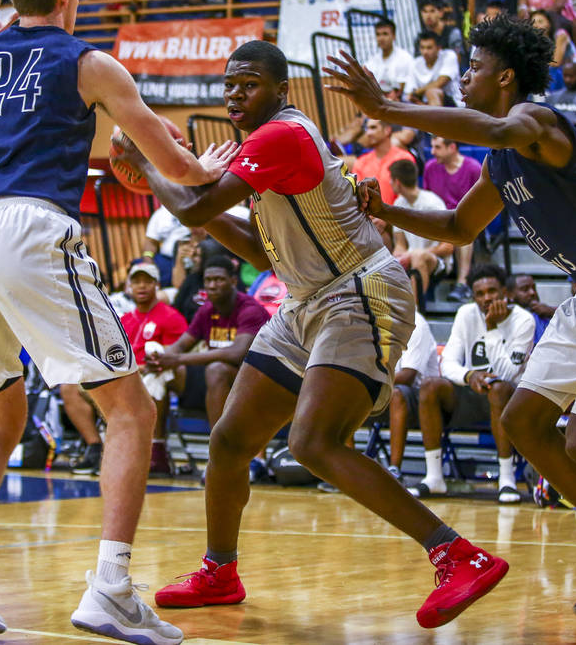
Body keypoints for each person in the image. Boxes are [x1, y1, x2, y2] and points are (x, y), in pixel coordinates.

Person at [325, 14, 576, 640]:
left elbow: (492, 126)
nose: (463, 77)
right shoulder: (501, 166)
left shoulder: (538, 122)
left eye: (474, 67)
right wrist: (387, 209)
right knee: (522, 422)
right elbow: (458, 229)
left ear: (505, 76)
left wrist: (386, 106)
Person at [115, 39, 508, 629]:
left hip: (360, 291)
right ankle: (219, 571)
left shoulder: (281, 136)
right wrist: (170, 182)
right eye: (228, 87)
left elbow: (194, 212)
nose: (233, 97)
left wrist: (149, 165)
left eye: (247, 85)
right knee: (228, 442)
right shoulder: (262, 149)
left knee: (314, 442)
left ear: (281, 91)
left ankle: (458, 554)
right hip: (306, 300)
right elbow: (259, 248)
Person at [0, 0, 233, 643]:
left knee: (1, 418)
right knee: (130, 411)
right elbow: (172, 158)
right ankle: (111, 589)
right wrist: (206, 165)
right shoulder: (90, 62)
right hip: (31, 228)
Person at [413, 264, 534, 502]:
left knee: (498, 389)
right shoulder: (466, 314)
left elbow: (508, 373)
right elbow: (447, 363)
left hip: (509, 400)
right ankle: (434, 477)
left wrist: (491, 328)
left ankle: (507, 479)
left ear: (505, 292)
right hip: (471, 393)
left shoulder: (524, 321)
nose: (486, 298)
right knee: (429, 386)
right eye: (480, 294)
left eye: (492, 291)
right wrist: (469, 376)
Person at [146, 256, 268, 474]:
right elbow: (180, 346)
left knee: (216, 369)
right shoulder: (206, 310)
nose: (212, 285)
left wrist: (178, 359)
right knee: (162, 374)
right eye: (208, 280)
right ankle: (158, 450)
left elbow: (237, 353)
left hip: (252, 383)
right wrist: (159, 358)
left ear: (233, 280)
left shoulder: (250, 309)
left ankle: (219, 452)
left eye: (219, 280)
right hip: (216, 384)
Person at [117, 260, 189, 472]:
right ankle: (97, 447)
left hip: (165, 374)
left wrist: (139, 369)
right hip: (130, 374)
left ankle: (157, 449)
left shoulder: (170, 317)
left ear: (156, 285)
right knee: (75, 387)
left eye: (146, 282)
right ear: (129, 287)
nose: (141, 286)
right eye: (136, 282)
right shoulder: (125, 320)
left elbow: (170, 358)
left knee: (156, 378)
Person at [422, 136, 481, 302]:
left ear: (452, 147)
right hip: (439, 219)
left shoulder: (473, 168)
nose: (432, 152)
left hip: (466, 220)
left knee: (465, 231)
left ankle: (462, 283)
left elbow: (481, 204)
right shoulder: (430, 167)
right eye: (432, 147)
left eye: (437, 147)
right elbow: (426, 199)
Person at [387, 310, 442, 483]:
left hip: (421, 397)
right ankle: (337, 471)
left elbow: (407, 376)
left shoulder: (416, 323)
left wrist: (370, 380)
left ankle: (394, 469)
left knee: (397, 393)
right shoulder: (370, 321)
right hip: (383, 389)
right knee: (345, 387)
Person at [388, 159, 452, 301]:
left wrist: (413, 254)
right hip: (411, 257)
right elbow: (400, 243)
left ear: (397, 182)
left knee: (418, 256)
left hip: (437, 261)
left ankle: (416, 310)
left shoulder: (432, 204)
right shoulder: (398, 204)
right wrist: (399, 254)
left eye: (390, 180)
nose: (389, 184)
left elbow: (448, 246)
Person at [352, 118, 416, 204]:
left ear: (387, 130)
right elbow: (359, 198)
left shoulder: (404, 158)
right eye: (367, 129)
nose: (368, 133)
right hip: (369, 216)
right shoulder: (360, 162)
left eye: (373, 128)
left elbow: (408, 197)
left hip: (398, 215)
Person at [363, 18, 414, 98]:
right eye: (378, 34)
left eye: (385, 34)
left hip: (402, 102)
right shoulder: (372, 61)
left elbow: (400, 90)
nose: (381, 38)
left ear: (393, 36)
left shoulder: (405, 57)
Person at [406, 31, 461, 107]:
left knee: (432, 92)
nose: (425, 52)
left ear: (439, 48)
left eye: (429, 48)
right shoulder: (415, 63)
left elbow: (440, 83)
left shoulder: (449, 55)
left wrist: (417, 92)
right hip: (426, 105)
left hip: (453, 105)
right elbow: (409, 94)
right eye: (422, 48)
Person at [507, 273, 555, 345]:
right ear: (510, 295)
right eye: (525, 289)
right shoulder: (507, 319)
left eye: (534, 288)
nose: (532, 293)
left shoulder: (546, 314)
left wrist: (552, 313)